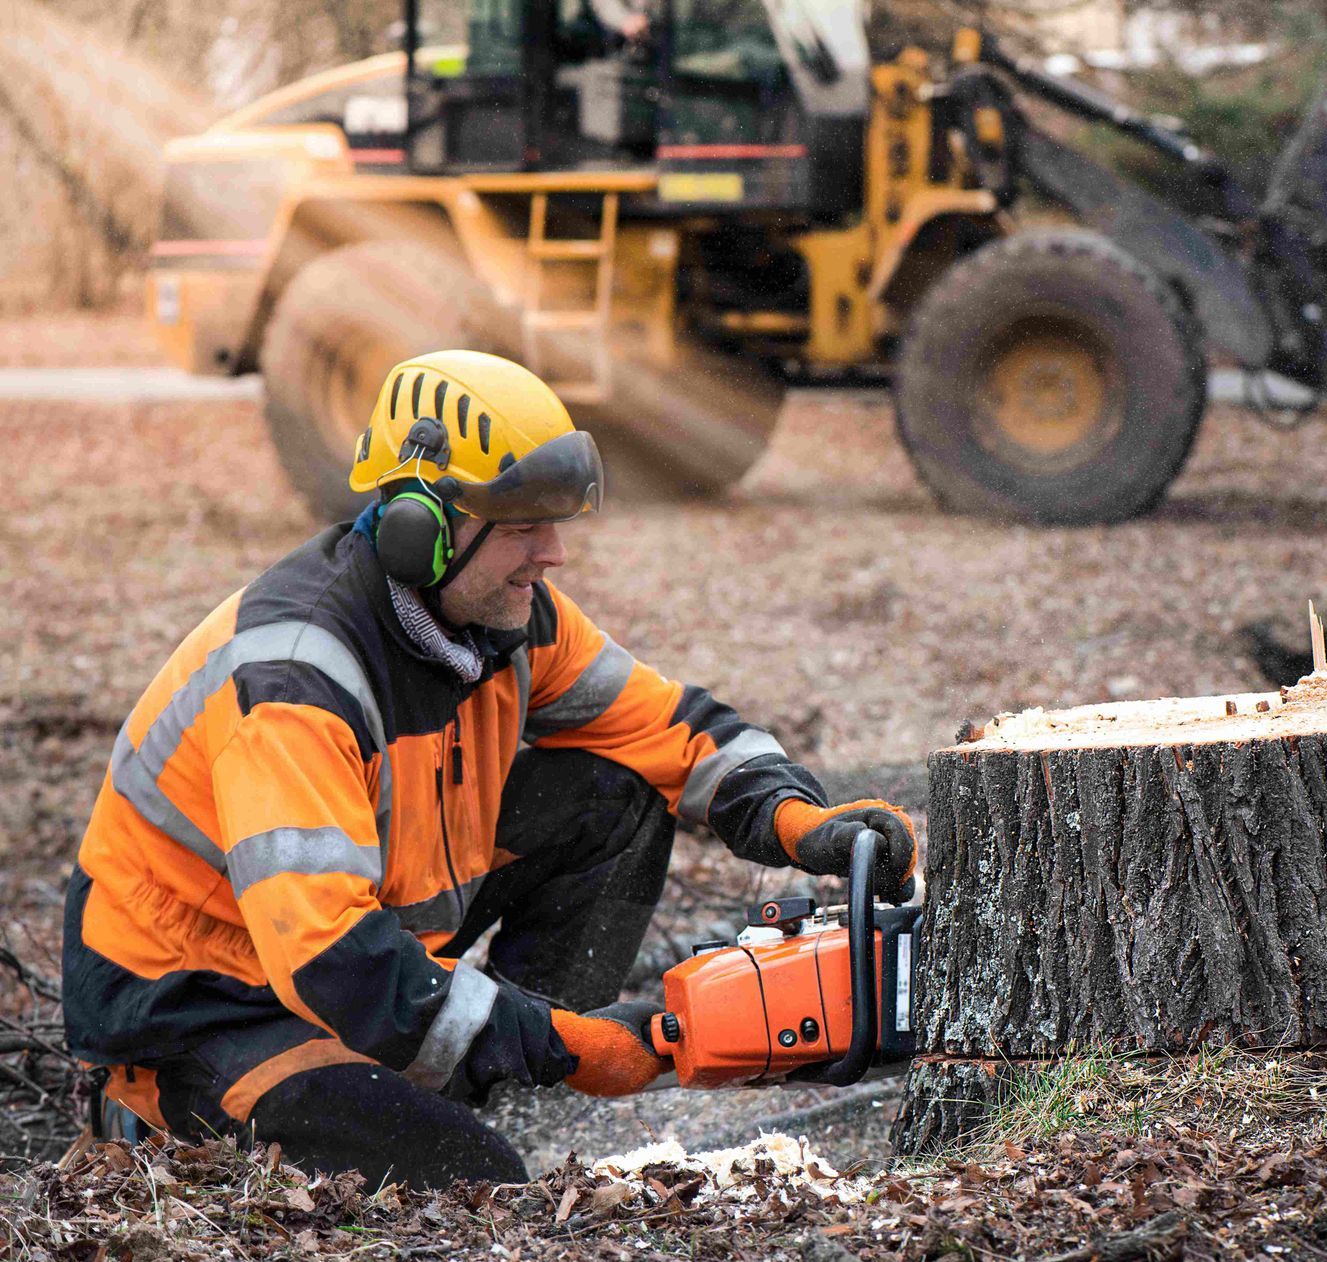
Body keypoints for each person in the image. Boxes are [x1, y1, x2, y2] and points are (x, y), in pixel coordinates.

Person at [61, 350, 916, 1187]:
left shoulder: (505, 616)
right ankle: (150, 1112)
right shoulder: (297, 683)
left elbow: (666, 725)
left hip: (352, 951)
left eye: (555, 523)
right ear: (420, 528)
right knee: (478, 1179)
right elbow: (333, 961)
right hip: (200, 1003)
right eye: (521, 527)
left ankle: (494, 1081)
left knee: (616, 797)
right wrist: (567, 1047)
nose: (552, 554)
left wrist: (794, 820)